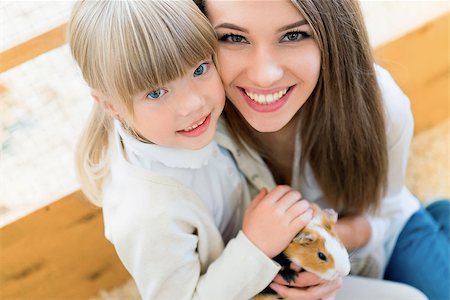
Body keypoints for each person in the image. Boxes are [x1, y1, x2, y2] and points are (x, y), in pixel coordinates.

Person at [68, 1, 322, 299]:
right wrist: (255, 245)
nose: (192, 104)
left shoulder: (201, 119)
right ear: (110, 105)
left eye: (200, 68)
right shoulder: (145, 215)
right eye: (156, 92)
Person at [196, 0, 449, 299]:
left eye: (293, 36)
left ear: (333, 34)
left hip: (383, 234)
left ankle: (435, 219)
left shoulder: (382, 104)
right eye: (234, 38)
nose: (264, 75)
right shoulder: (186, 132)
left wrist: (324, 243)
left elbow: (387, 211)